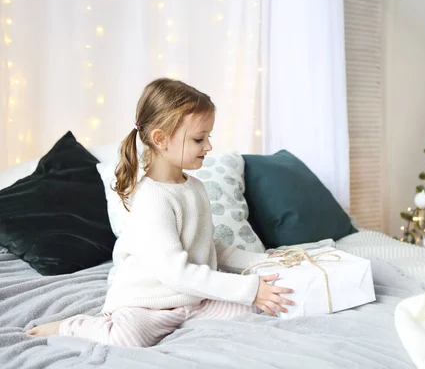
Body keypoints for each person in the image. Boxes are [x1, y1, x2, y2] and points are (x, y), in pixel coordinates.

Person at [26, 78, 293, 347]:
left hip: (194, 300)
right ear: (160, 139)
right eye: (199, 139)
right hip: (149, 303)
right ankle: (72, 326)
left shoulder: (196, 187)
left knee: (263, 307)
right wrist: (248, 289)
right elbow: (176, 273)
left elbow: (211, 247)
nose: (209, 146)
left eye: (208, 137)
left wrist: (261, 263)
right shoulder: (152, 198)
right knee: (127, 338)